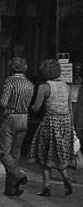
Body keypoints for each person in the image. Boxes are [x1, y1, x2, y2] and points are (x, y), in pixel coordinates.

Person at [29, 58, 75, 197]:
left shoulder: (44, 87)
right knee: (59, 154)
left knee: (43, 153)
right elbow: (70, 108)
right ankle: (66, 177)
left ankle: (46, 186)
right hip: (65, 123)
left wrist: (28, 107)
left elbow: (36, 108)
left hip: (50, 122)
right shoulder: (67, 86)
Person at [0, 57, 34, 197]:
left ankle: (18, 174)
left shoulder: (10, 81)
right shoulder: (30, 84)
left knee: (3, 152)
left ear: (12, 67)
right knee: (15, 154)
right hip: (24, 118)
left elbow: (4, 103)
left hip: (11, 118)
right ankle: (11, 189)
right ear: (25, 67)